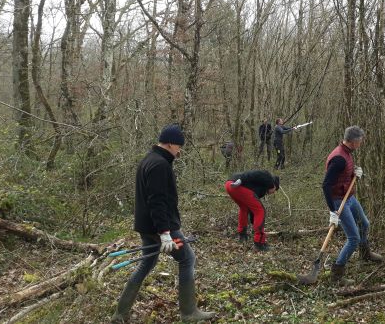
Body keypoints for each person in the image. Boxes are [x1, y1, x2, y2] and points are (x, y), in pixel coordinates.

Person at [111, 124, 215, 323]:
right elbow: (156, 201)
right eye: (178, 146)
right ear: (169, 144)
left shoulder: (149, 159)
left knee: (146, 264)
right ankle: (189, 312)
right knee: (187, 260)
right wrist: (165, 233)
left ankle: (120, 313)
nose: (180, 150)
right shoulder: (159, 164)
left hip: (146, 226)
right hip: (160, 226)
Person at [322, 125, 383, 285]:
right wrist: (332, 211)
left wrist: (354, 173)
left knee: (364, 223)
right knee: (353, 238)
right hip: (338, 201)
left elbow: (342, 176)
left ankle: (365, 253)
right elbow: (326, 184)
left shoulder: (347, 153)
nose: (361, 143)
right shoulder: (339, 159)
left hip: (349, 197)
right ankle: (337, 274)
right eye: (360, 141)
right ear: (354, 141)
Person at [224, 169, 280, 252]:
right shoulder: (269, 179)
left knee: (244, 208)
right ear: (274, 186)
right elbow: (254, 173)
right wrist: (240, 180)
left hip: (229, 185)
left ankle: (242, 235)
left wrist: (254, 222)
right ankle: (259, 242)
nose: (273, 192)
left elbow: (252, 209)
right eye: (275, 190)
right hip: (236, 185)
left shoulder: (260, 189)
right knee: (261, 211)